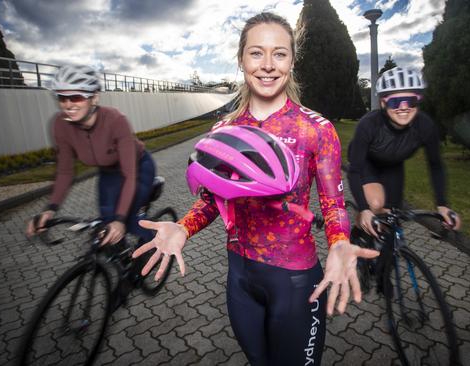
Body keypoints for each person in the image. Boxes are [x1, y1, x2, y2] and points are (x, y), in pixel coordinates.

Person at [132, 12, 379, 366]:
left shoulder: (316, 129)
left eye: (279, 53)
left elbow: (333, 204)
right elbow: (212, 202)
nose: (267, 65)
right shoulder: (224, 130)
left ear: (292, 61)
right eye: (256, 53)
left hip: (295, 283)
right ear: (241, 59)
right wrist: (183, 227)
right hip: (240, 281)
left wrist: (339, 243)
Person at [25, 64, 157, 248]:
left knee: (125, 219)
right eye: (62, 98)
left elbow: (129, 175)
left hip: (138, 168)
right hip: (108, 172)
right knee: (105, 226)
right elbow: (64, 173)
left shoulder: (116, 120)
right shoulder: (60, 125)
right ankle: (120, 261)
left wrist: (119, 220)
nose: (68, 105)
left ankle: (155, 243)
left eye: (76, 97)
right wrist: (50, 209)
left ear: (94, 98)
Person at [347, 67, 461, 238]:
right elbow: (354, 170)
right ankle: (356, 234)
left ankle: (385, 257)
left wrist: (443, 205)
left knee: (392, 217)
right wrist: (364, 209)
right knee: (376, 204)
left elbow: (436, 165)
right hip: (366, 163)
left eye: (411, 101)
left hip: (393, 165)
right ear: (384, 103)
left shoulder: (425, 126)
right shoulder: (369, 124)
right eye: (395, 102)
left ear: (418, 101)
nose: (404, 107)